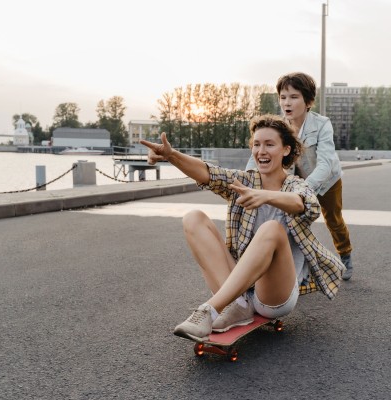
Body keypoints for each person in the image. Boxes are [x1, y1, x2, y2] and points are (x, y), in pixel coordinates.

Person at [140, 114, 345, 342]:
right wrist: (171, 156)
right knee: (193, 218)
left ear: (285, 150)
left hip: (273, 296)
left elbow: (305, 204)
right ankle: (237, 305)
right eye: (256, 144)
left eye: (269, 144)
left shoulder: (296, 185)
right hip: (242, 290)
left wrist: (265, 196)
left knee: (272, 229)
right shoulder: (245, 182)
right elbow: (209, 173)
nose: (261, 151)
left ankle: (209, 310)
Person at [246, 72, 353, 281]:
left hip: (327, 182)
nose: (287, 102)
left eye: (294, 97)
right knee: (294, 224)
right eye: (283, 97)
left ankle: (345, 254)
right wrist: (247, 178)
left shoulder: (322, 124)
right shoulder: (278, 126)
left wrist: (305, 190)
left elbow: (326, 162)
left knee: (334, 220)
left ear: (308, 101)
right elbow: (258, 151)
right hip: (294, 184)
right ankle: (299, 270)